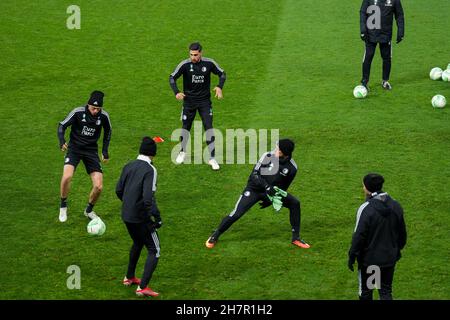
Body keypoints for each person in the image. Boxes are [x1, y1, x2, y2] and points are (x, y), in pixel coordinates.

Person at [205, 139, 310, 249]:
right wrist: (266, 186)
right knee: (237, 213)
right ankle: (215, 234)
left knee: (295, 203)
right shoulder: (267, 156)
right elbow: (254, 175)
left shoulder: (292, 168)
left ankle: (296, 238)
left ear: (284, 152)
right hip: (254, 189)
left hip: (270, 192)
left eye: (278, 148)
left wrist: (271, 200)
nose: (275, 149)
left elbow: (283, 187)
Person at [348, 173, 407, 300]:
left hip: (371, 261)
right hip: (389, 258)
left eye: (363, 186)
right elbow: (402, 234)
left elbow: (359, 236)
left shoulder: (366, 209)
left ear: (367, 188)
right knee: (385, 292)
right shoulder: (396, 205)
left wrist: (352, 256)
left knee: (367, 291)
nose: (362, 188)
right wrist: (396, 250)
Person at [116, 137, 162, 298]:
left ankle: (129, 277)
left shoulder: (128, 165)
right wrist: (157, 217)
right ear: (153, 154)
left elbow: (118, 190)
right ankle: (143, 287)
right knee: (154, 249)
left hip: (126, 215)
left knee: (138, 242)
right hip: (140, 217)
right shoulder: (150, 170)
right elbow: (148, 198)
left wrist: (129, 204)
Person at [169, 42, 226, 170]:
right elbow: (172, 77)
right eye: (191, 55)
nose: (193, 57)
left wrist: (219, 87)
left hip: (204, 102)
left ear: (201, 53)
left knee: (209, 127)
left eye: (195, 54)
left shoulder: (209, 63)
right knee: (186, 127)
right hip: (189, 102)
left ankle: (212, 158)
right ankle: (182, 152)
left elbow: (222, 73)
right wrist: (177, 92)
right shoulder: (184, 65)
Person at [57, 90, 112, 222]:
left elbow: (108, 131)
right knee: (67, 176)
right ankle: (63, 206)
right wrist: (62, 141)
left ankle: (88, 211)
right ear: (88, 105)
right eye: (93, 108)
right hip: (74, 148)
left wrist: (105, 150)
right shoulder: (78, 112)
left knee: (99, 186)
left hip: (91, 151)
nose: (95, 111)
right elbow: (62, 125)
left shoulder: (103, 116)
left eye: (98, 109)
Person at [359, 0, 404, 90]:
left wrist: (401, 31)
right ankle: (364, 82)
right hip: (370, 34)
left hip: (385, 34)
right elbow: (363, 12)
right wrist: (363, 30)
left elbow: (399, 15)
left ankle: (385, 81)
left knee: (387, 57)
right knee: (368, 56)